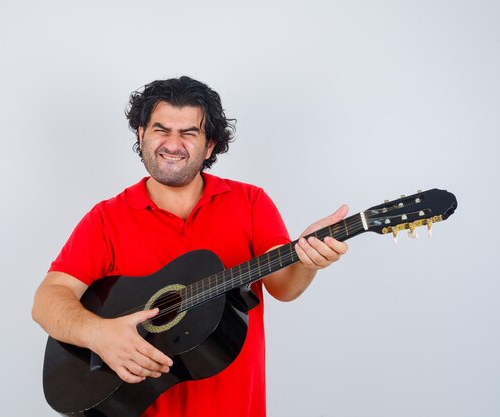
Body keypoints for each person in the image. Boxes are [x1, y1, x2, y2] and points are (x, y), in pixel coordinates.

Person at [32, 76, 348, 417]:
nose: (172, 143)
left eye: (189, 133)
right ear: (141, 134)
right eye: (161, 129)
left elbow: (284, 285)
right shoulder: (106, 219)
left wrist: (307, 260)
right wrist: (100, 336)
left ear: (210, 144)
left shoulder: (250, 202)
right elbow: (47, 300)